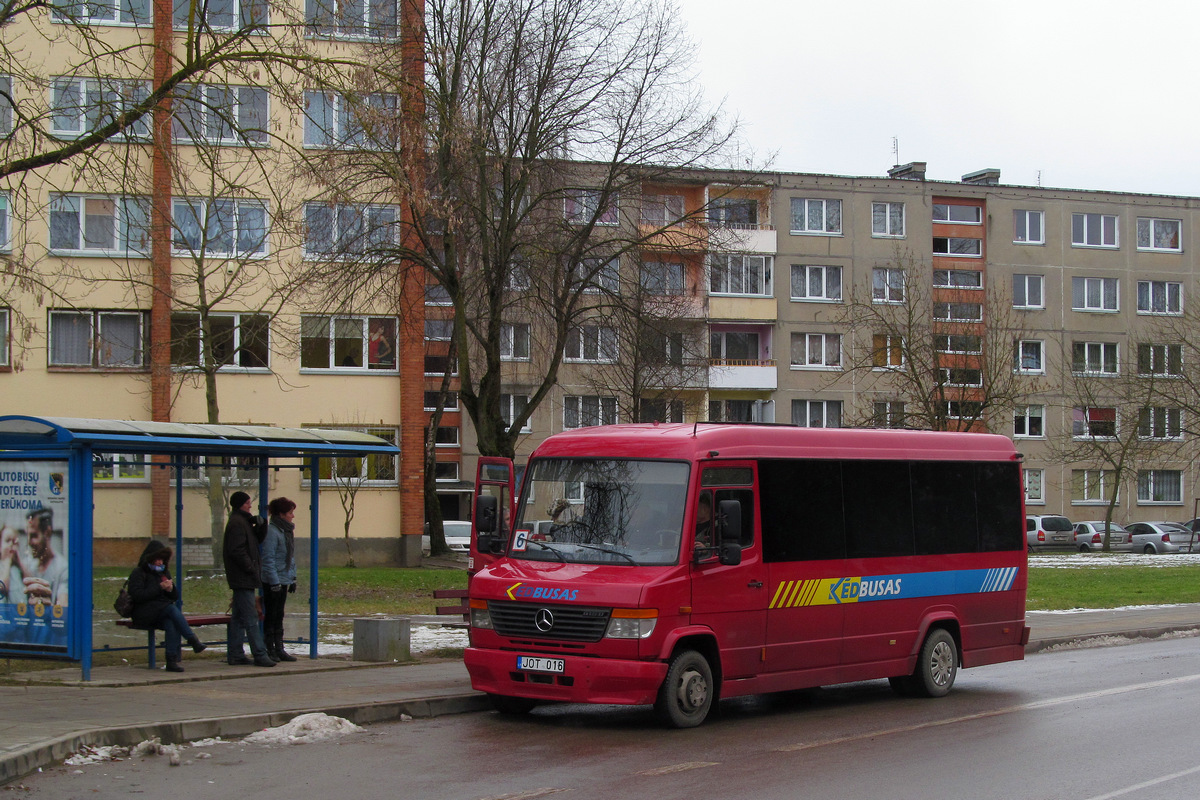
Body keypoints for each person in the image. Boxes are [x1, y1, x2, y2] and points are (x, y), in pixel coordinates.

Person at [127, 540, 207, 673]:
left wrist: (170, 589)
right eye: (157, 560)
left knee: (171, 622)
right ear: (150, 559)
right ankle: (192, 640)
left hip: (160, 612)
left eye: (162, 560)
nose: (160, 563)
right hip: (143, 613)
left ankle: (171, 660)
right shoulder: (139, 573)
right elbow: (138, 595)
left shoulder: (163, 573)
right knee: (170, 609)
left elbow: (174, 597)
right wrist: (159, 588)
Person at [222, 492, 275, 667]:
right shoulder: (238, 523)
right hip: (242, 577)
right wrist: (250, 568)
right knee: (251, 616)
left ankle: (236, 653)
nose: (250, 506)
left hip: (244, 576)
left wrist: (261, 527)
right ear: (241, 504)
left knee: (238, 616)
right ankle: (260, 653)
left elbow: (255, 540)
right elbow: (236, 550)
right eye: (247, 503)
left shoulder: (242, 521)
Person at [260, 497, 298, 662]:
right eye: (290, 513)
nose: (292, 516)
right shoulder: (272, 532)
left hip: (283, 579)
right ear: (281, 514)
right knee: (272, 615)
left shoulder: (286, 532)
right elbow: (268, 560)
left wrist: (292, 578)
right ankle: (270, 648)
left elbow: (289, 557)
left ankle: (279, 647)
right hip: (272, 582)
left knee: (279, 614)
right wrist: (274, 582)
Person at [16, 509, 67, 607]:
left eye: (34, 535)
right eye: (28, 536)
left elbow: (63, 606)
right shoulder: (31, 563)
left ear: (47, 533)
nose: (29, 543)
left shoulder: (63, 569)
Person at [0, 525, 24, 604]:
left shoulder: (17, 568)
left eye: (14, 543)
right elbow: (2, 587)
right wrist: (7, 561)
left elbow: (29, 579)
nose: (11, 545)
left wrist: (19, 562)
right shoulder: (2, 565)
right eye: (7, 541)